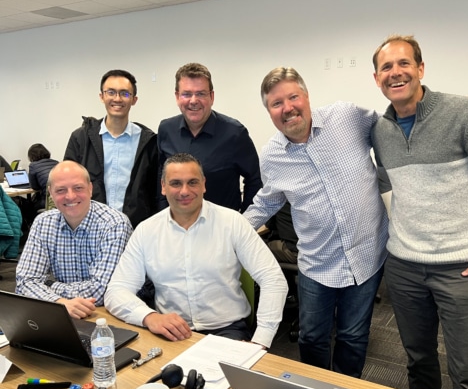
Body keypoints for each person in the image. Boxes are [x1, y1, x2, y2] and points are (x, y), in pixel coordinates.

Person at [243, 67, 388, 377]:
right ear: (269, 111)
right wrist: (230, 231)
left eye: (293, 97)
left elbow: (388, 132)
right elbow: (268, 200)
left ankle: (346, 388)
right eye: (276, 103)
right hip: (317, 263)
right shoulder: (272, 156)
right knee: (312, 337)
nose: (288, 108)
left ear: (306, 97)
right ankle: (317, 388)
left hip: (366, 255)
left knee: (352, 336)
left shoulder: (347, 117)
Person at [371, 35, 468, 389]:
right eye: (386, 67)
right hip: (405, 266)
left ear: (420, 69)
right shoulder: (380, 130)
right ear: (377, 79)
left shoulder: (464, 112)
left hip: (462, 266)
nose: (396, 73)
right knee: (418, 362)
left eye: (404, 63)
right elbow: (390, 187)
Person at [105, 153, 287, 349]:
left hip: (226, 331)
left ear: (203, 184)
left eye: (192, 182)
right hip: (170, 331)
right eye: (175, 183)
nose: (184, 191)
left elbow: (273, 279)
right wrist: (149, 317)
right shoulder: (146, 231)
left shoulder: (233, 222)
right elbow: (117, 291)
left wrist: (261, 340)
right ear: (163, 187)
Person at [16, 161, 133, 319]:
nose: (70, 196)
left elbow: (100, 291)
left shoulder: (115, 224)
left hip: (106, 315)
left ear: (90, 189)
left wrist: (49, 285)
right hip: (61, 312)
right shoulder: (42, 223)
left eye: (78, 188)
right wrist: (59, 302)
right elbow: (24, 282)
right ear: (50, 192)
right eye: (61, 190)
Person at [157, 63, 262, 213]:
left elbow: (255, 180)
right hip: (177, 226)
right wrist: (163, 215)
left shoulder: (235, 133)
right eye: (187, 94)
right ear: (177, 97)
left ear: (211, 97)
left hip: (222, 229)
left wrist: (245, 221)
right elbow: (162, 178)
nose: (193, 101)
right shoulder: (166, 129)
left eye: (201, 94)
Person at [64, 69, 158, 228]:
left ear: (134, 99)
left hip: (135, 229)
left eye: (125, 94)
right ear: (102, 96)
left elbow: (155, 190)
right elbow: (67, 184)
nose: (117, 98)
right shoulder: (81, 138)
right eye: (111, 92)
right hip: (90, 228)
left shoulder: (148, 141)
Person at [27, 143, 58, 211]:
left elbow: (34, 187)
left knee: (29, 206)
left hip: (48, 200)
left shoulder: (33, 165)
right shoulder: (56, 162)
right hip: (60, 197)